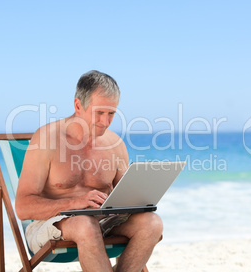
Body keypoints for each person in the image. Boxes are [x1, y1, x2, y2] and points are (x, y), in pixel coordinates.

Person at [15, 70, 163, 272]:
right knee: (85, 224)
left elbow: (126, 200)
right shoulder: (47, 140)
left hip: (102, 222)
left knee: (152, 223)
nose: (106, 122)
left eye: (111, 113)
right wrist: (74, 203)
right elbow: (23, 208)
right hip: (50, 225)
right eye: (99, 113)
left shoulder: (114, 144)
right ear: (78, 106)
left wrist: (142, 197)